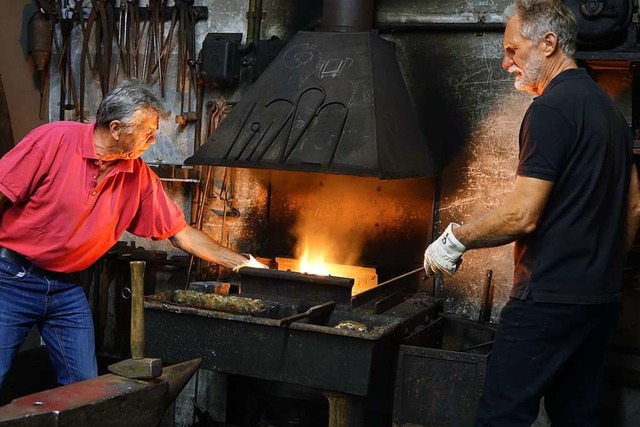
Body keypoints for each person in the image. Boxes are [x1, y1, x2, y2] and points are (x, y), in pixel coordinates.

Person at [423, 0, 640, 425]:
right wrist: (604, 271)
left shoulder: (549, 110)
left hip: (547, 301)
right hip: (598, 302)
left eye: (513, 51)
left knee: (501, 416)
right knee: (576, 416)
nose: (507, 64)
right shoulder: (609, 113)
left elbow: (524, 215)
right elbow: (635, 205)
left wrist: (455, 238)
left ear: (548, 43)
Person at [0, 79, 265, 389]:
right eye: (147, 131)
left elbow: (181, 233)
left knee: (83, 389)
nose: (152, 140)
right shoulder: (54, 140)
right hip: (13, 277)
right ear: (115, 129)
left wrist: (246, 264)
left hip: (65, 288)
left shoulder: (136, 175)